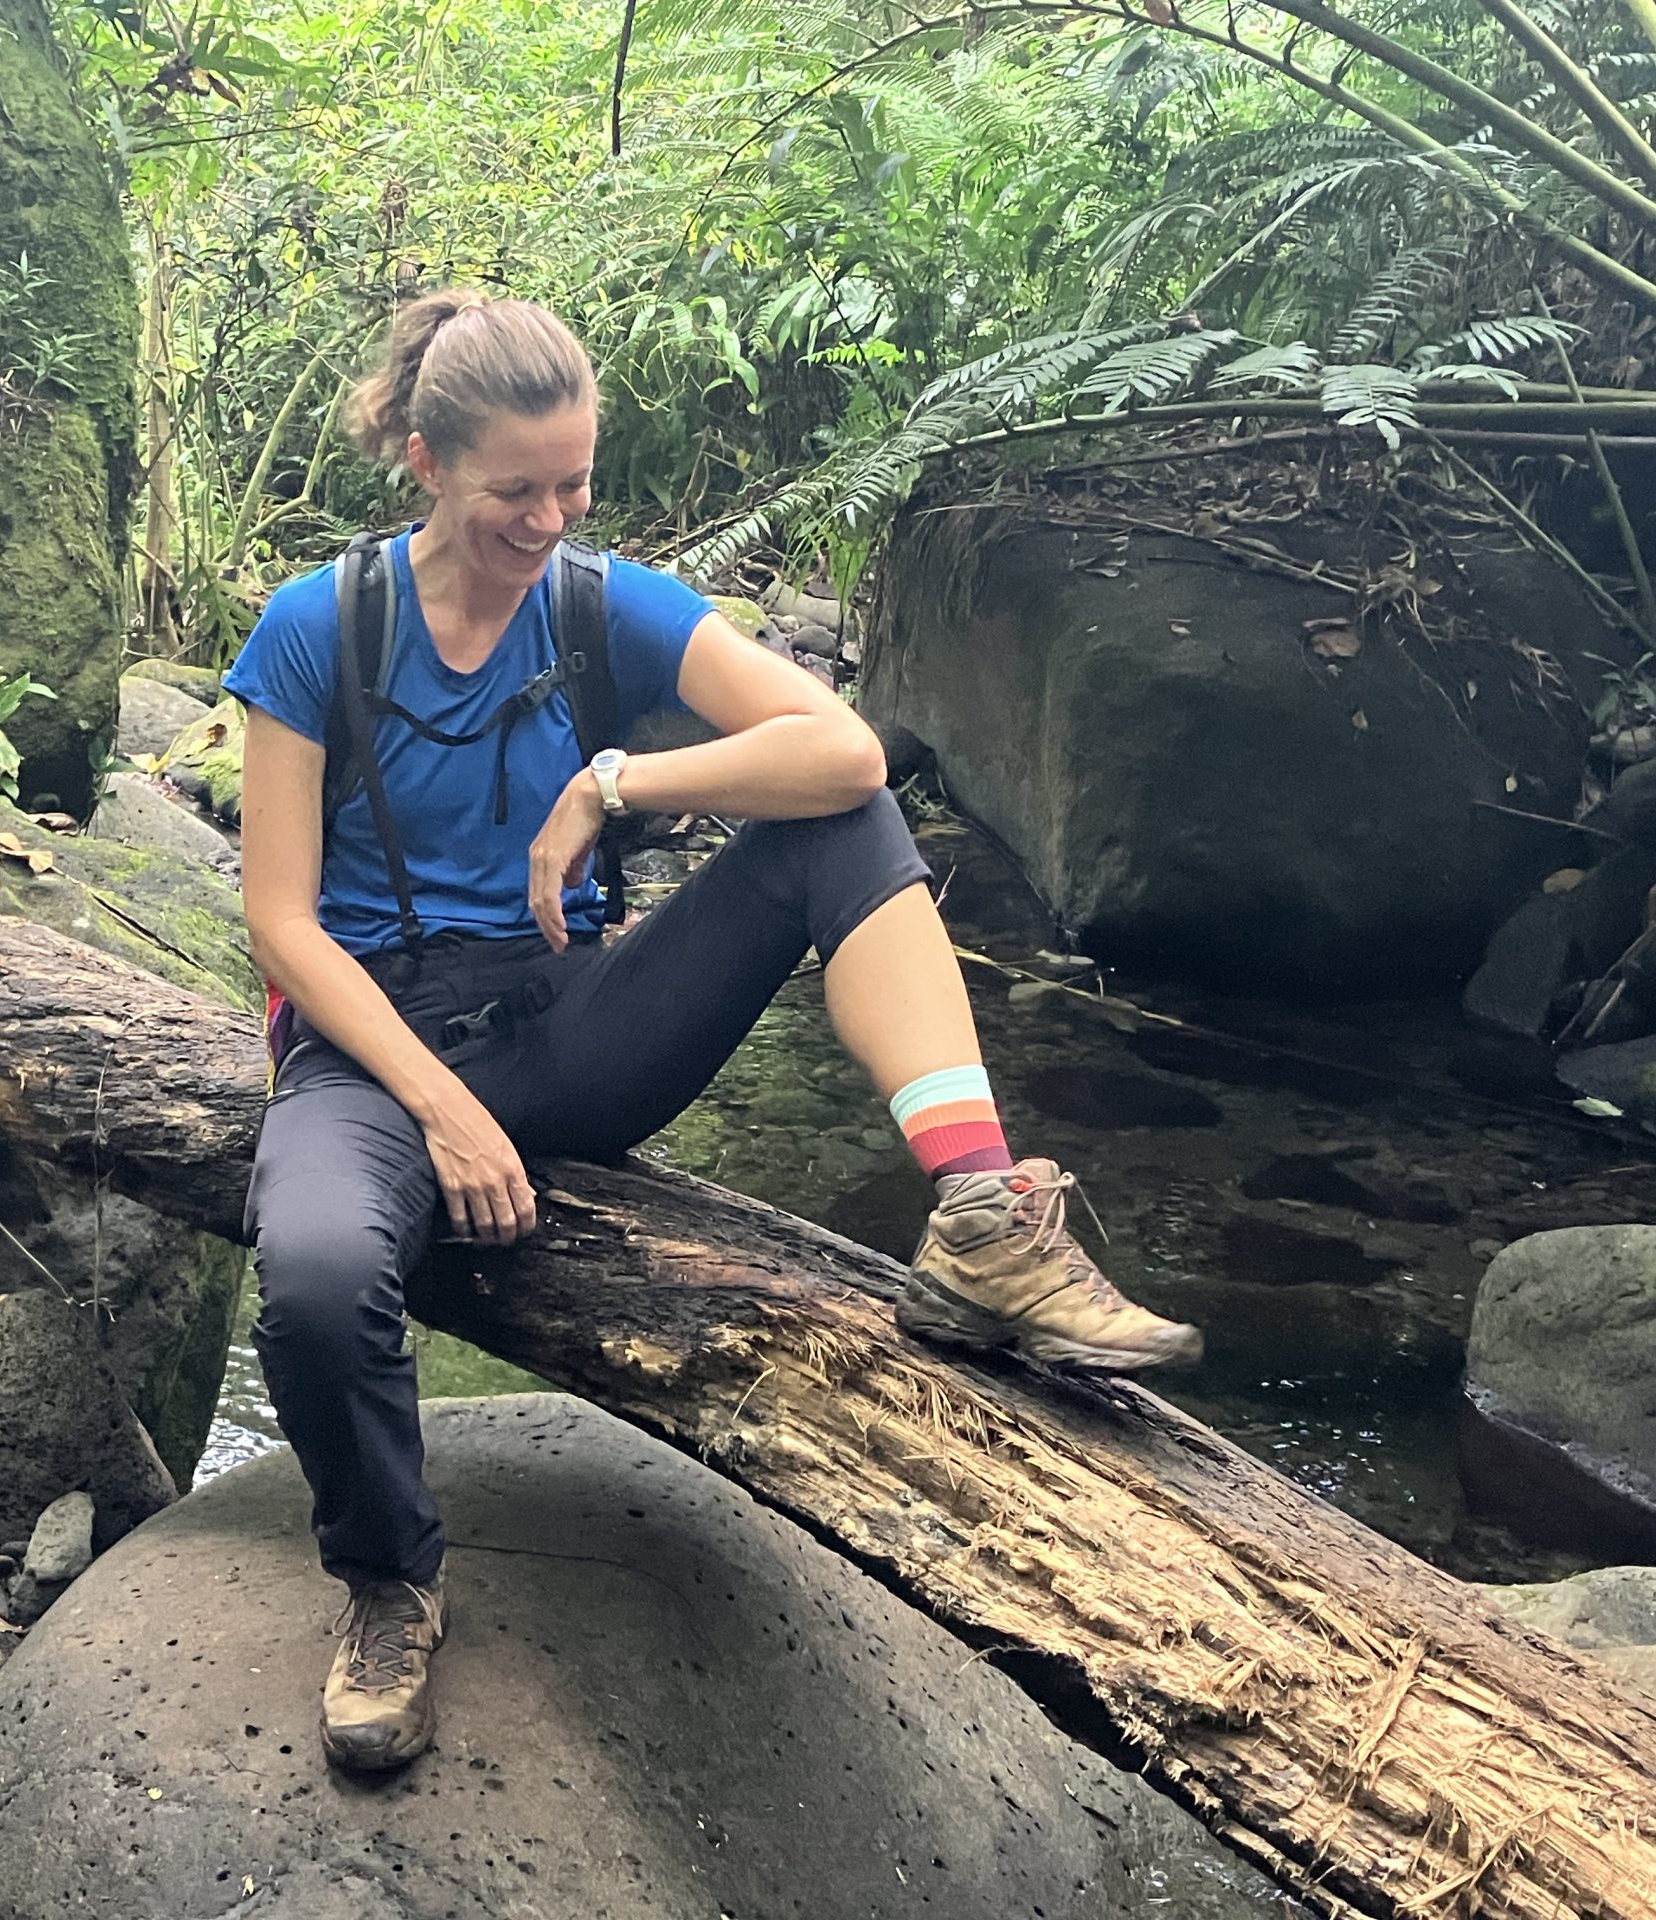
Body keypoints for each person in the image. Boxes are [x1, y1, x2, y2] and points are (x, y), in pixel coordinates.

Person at [224, 289, 1203, 1774]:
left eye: (574, 486)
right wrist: (441, 1107)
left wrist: (617, 783)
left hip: (572, 1017)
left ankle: (981, 1212)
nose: (548, 518)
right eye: (514, 491)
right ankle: (388, 1582)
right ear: (425, 462)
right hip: (371, 1050)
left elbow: (847, 747)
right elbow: (283, 921)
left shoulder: (596, 602)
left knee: (845, 817)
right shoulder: (317, 629)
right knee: (308, 1280)